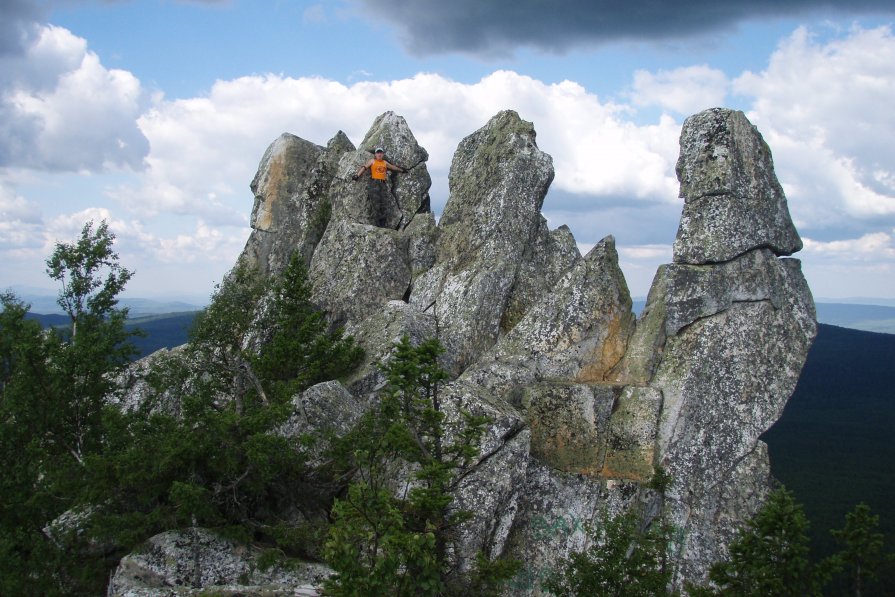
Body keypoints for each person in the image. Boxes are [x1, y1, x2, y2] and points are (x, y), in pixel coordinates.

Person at [352, 147, 407, 227]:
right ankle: (376, 223)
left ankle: (382, 224)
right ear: (375, 154)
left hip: (383, 184)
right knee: (375, 203)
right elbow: (364, 167)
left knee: (384, 204)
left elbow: (393, 167)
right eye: (378, 153)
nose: (379, 154)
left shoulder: (385, 162)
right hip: (374, 183)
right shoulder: (372, 161)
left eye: (381, 153)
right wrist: (357, 175)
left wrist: (402, 170)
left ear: (383, 154)